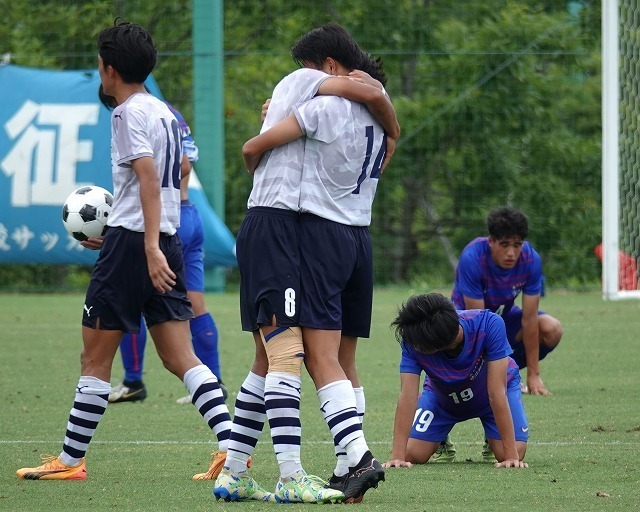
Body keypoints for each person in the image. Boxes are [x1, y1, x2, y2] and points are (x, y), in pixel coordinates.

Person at [16, 20, 232, 482]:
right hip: (163, 239)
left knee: (94, 358)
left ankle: (71, 462)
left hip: (140, 246)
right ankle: (233, 450)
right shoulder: (163, 112)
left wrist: (141, 244)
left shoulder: (126, 113)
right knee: (180, 358)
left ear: (108, 68)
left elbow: (150, 177)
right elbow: (168, 180)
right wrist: (138, 237)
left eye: (99, 63)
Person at [213, 24, 399, 504]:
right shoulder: (379, 122)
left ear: (332, 68)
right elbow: (384, 129)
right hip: (359, 237)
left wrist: (259, 144)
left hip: (307, 233)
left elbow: (254, 146)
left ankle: (344, 459)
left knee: (303, 356)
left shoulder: (315, 98)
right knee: (315, 357)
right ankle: (320, 465)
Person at [97, 83, 229, 479]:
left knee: (129, 306)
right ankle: (214, 382)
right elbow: (185, 164)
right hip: (185, 218)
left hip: (160, 225)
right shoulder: (170, 114)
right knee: (194, 307)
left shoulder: (134, 113)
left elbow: (173, 171)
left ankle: (133, 380)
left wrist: (145, 238)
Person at [438, 206, 562, 463]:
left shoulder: (531, 260)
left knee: (551, 329)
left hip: (504, 321)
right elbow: (479, 323)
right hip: (467, 328)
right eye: (504, 244)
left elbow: (529, 319)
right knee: (453, 349)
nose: (511, 252)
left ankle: (510, 376)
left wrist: (535, 377)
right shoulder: (473, 257)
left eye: (517, 245)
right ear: (491, 241)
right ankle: (440, 429)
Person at [383, 293, 529, 469]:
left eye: (420, 345)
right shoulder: (413, 338)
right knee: (411, 453)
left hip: (491, 398)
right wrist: (397, 457)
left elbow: (496, 392)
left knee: (513, 453)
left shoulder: (489, 324)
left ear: (437, 345)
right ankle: (441, 440)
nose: (415, 347)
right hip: (443, 399)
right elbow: (407, 396)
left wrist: (511, 457)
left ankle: (491, 434)